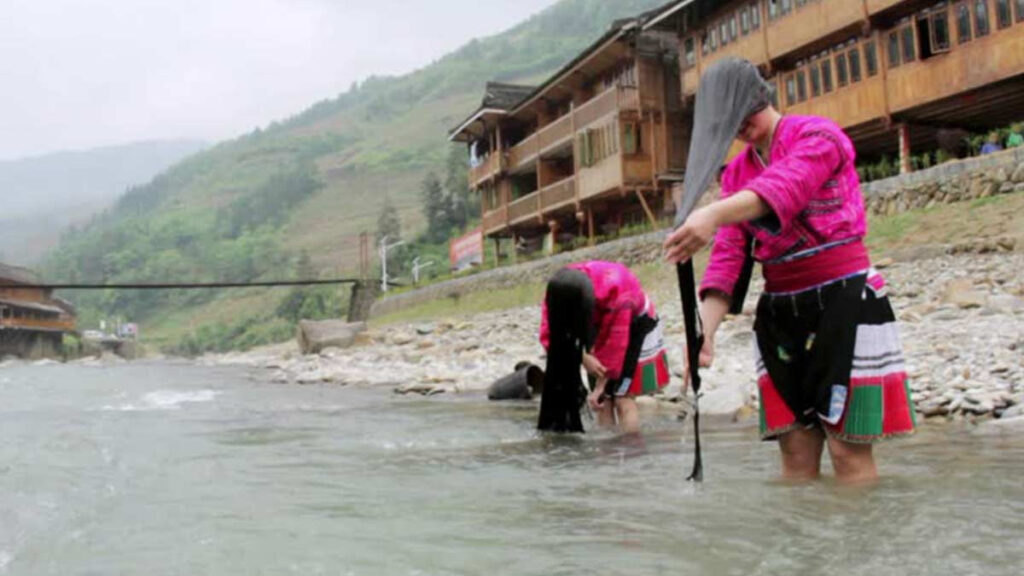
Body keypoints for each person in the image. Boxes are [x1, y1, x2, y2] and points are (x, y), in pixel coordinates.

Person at [664, 57, 914, 484]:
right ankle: (805, 548)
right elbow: (730, 256)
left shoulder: (818, 135)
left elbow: (784, 187)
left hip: (844, 300)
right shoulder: (738, 173)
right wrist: (703, 333)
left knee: (847, 451)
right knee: (795, 457)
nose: (740, 126)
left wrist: (711, 214)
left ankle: (856, 548)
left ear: (760, 96)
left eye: (746, 113)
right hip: (781, 312)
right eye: (730, 121)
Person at [537, 261, 670, 434]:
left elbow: (617, 345)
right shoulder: (560, 292)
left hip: (635, 326)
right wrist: (583, 358)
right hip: (600, 323)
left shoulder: (619, 295)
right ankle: (605, 454)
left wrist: (601, 384)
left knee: (623, 398)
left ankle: (631, 450)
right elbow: (550, 336)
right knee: (602, 401)